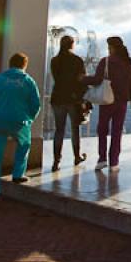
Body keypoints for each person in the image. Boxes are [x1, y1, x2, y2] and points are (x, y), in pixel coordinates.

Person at [0, 52, 41, 206]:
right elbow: (36, 104)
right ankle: (18, 174)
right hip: (19, 121)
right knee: (24, 144)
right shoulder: (28, 81)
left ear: (10, 64)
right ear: (24, 65)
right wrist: (29, 119)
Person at [82, 36, 131, 172]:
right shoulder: (129, 64)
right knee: (117, 131)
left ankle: (102, 159)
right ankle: (114, 161)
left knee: (102, 129)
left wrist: (83, 79)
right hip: (122, 103)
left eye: (109, 47)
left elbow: (96, 80)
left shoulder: (105, 61)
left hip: (107, 101)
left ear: (112, 48)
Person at [50, 35, 88, 172]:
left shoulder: (54, 61)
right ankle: (77, 156)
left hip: (57, 98)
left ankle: (56, 161)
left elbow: (57, 79)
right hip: (73, 99)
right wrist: (82, 96)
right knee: (75, 129)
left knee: (59, 130)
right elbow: (82, 80)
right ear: (72, 45)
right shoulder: (77, 60)